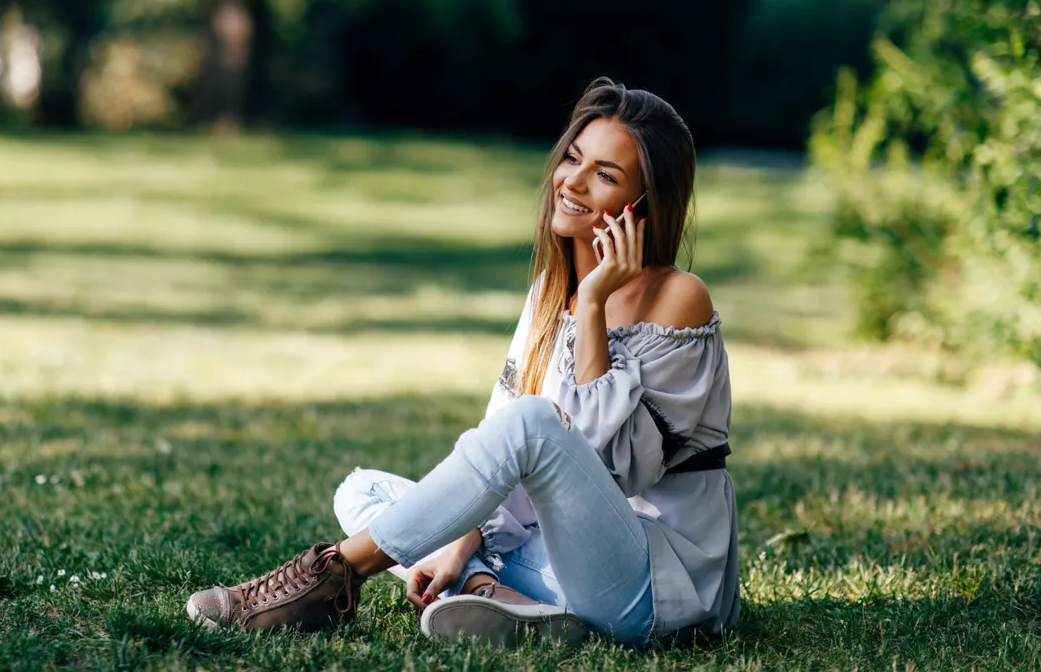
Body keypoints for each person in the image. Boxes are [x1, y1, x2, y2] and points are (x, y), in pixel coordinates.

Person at [185, 77, 739, 648]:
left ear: (644, 204)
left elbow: (612, 466)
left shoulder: (679, 298)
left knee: (531, 425)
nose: (571, 181)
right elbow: (496, 442)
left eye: (604, 174)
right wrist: (465, 538)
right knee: (361, 492)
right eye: (572, 158)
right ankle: (494, 595)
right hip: (550, 561)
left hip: (648, 586)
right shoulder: (552, 291)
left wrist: (596, 302)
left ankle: (330, 576)